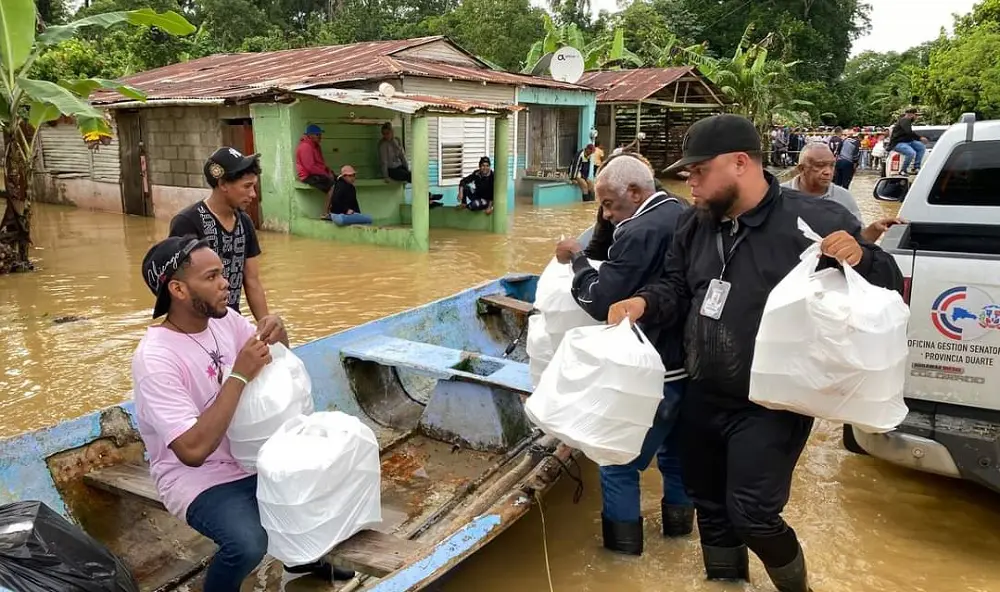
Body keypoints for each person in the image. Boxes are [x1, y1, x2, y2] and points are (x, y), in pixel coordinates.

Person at [607, 114, 904, 592]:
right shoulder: (694, 225)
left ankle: (797, 589)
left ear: (739, 163)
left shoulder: (817, 219)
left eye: (699, 170)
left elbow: (888, 285)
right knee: (710, 503)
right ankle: (726, 583)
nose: (690, 181)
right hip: (704, 391)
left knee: (754, 513)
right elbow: (677, 287)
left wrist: (862, 255)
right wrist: (644, 302)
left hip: (772, 399)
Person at [132, 236, 355, 592]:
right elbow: (191, 452)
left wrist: (280, 335)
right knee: (248, 543)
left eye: (222, 273)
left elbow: (272, 370)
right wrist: (238, 373)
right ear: (178, 289)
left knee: (332, 471)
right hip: (199, 478)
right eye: (211, 277)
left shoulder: (226, 320)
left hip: (251, 453)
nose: (225, 283)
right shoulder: (155, 359)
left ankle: (303, 555)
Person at [553, 154, 692, 555]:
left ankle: (623, 556)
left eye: (610, 205)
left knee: (617, 463)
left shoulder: (638, 231)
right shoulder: (678, 210)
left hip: (653, 368)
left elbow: (601, 301)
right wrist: (607, 221)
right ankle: (680, 537)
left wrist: (577, 260)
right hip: (688, 366)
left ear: (634, 192)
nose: (608, 214)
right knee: (675, 456)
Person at [169, 147, 269, 321]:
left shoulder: (244, 222)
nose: (253, 194)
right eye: (246, 186)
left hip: (231, 321)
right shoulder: (188, 222)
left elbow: (252, 281)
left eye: (254, 186)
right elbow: (180, 285)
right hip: (199, 325)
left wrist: (266, 324)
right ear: (223, 184)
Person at [782, 144, 902, 242]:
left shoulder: (843, 197)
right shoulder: (779, 195)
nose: (828, 172)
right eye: (820, 166)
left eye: (832, 165)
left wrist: (875, 229)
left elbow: (859, 241)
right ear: (802, 169)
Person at [295, 124, 335, 194]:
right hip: (308, 176)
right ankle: (330, 205)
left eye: (320, 134)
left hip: (317, 174)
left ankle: (332, 203)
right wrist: (326, 174)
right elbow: (310, 167)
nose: (320, 136)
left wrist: (328, 171)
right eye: (317, 134)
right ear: (310, 135)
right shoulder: (306, 146)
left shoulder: (316, 146)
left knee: (340, 182)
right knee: (334, 187)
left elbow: (320, 163)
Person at [889, 108, 927, 175]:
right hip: (898, 143)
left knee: (921, 147)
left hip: (908, 142)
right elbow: (909, 132)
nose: (916, 117)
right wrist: (920, 138)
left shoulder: (907, 121)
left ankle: (916, 167)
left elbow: (908, 133)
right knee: (911, 153)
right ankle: (903, 170)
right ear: (911, 114)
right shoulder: (905, 120)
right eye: (916, 115)